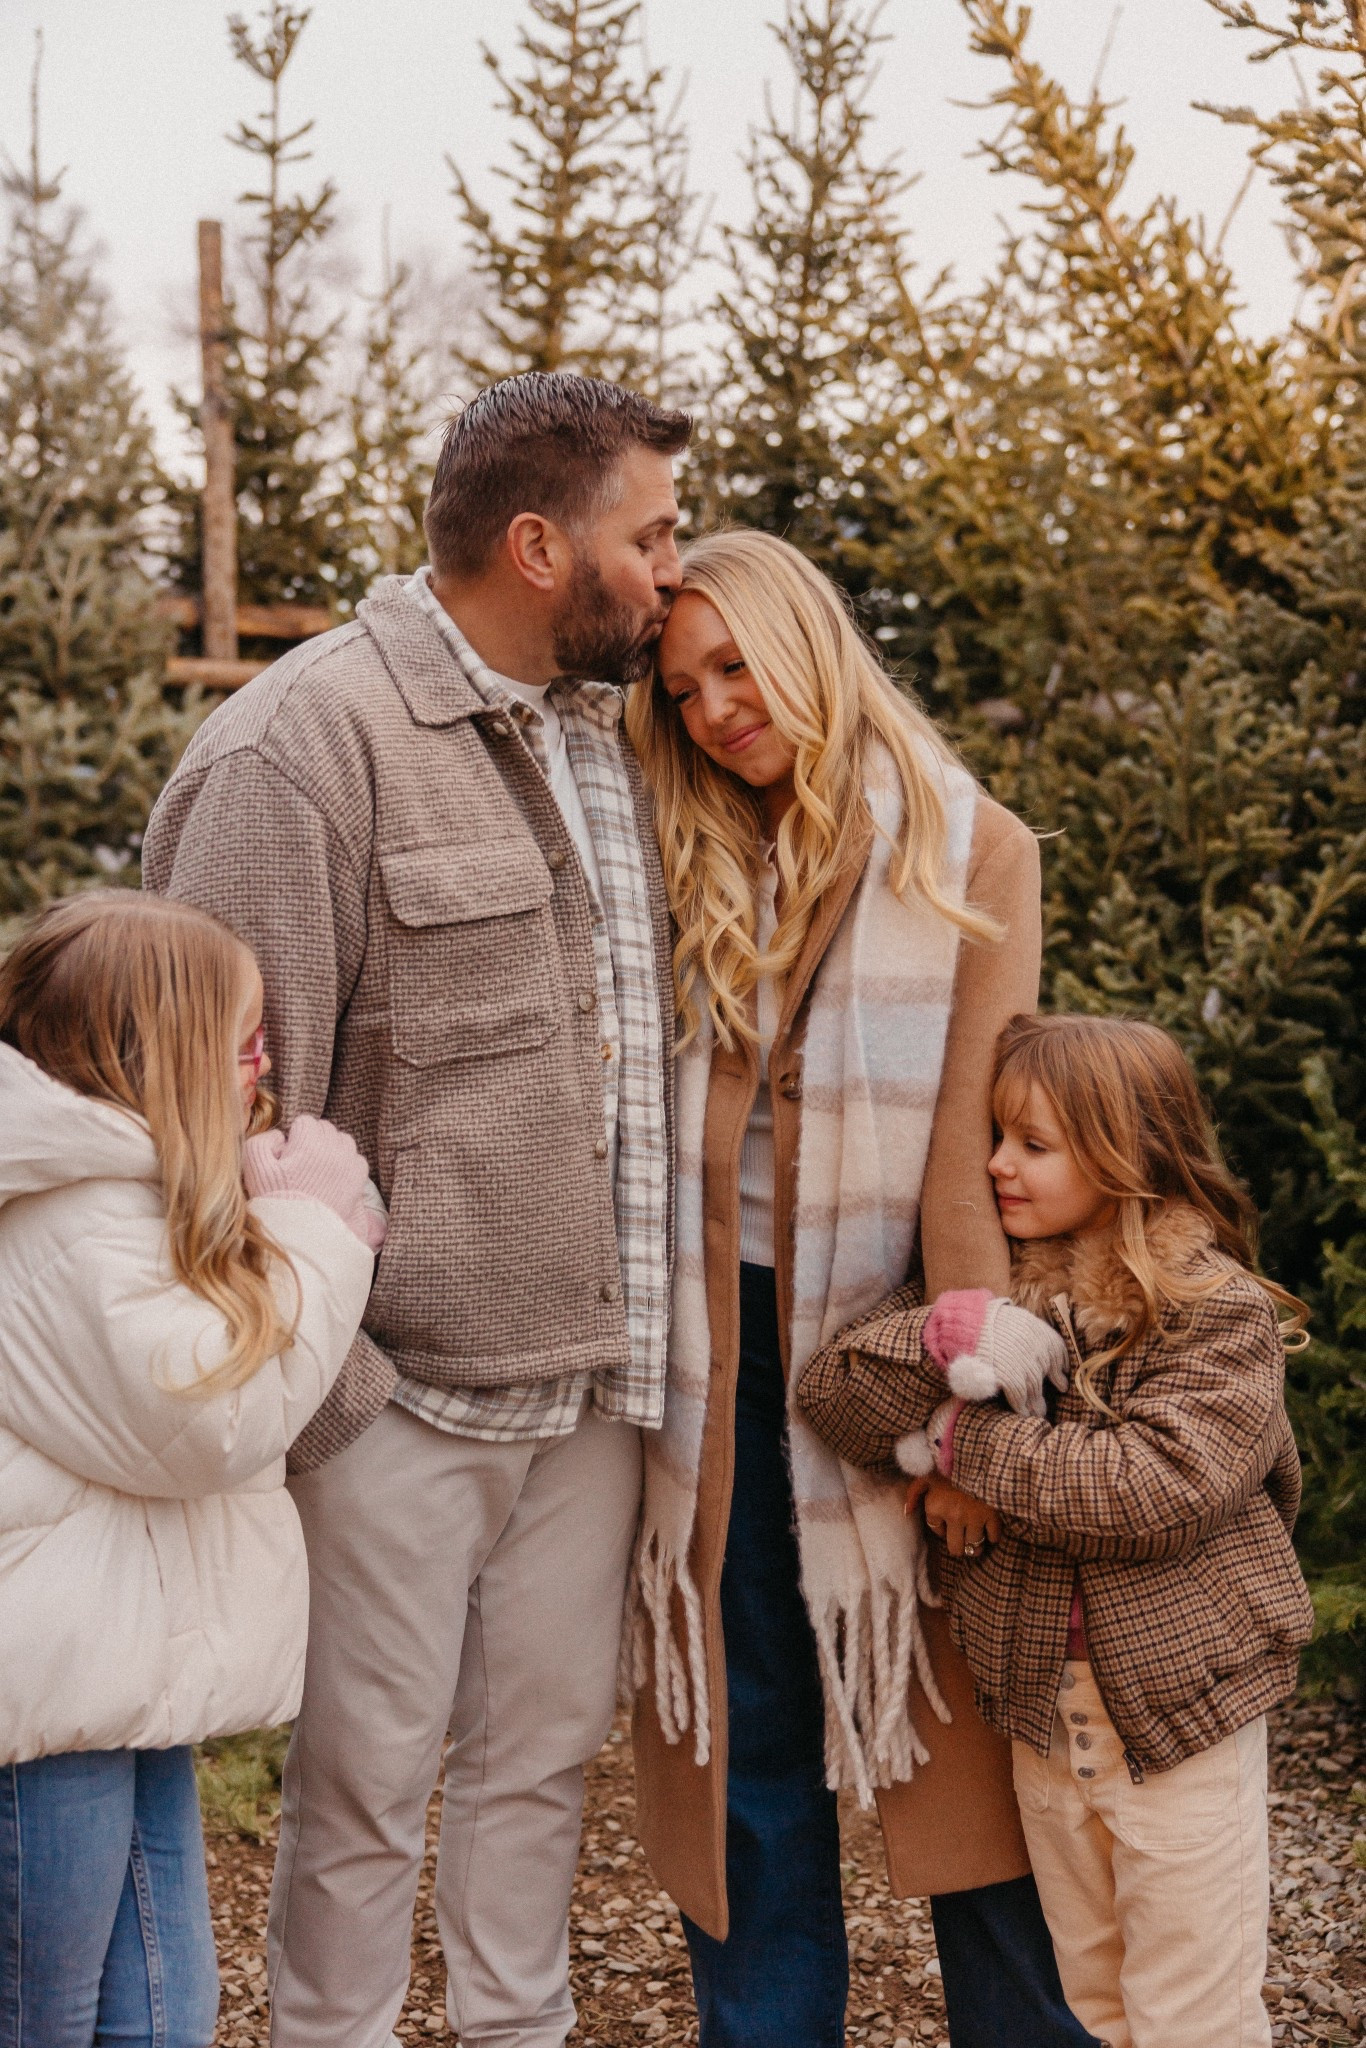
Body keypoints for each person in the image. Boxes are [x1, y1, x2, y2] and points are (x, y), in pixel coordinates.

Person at [142, 370, 689, 2048]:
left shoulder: (612, 734)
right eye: (649, 535)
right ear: (539, 546)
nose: (676, 570)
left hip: (594, 1389)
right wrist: (342, 1389)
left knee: (535, 1780)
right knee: (365, 1791)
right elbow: (215, 1109)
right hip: (397, 1402)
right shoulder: (299, 752)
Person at [623, 530, 1098, 2047]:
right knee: (749, 1725)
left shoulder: (973, 850)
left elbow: (965, 1146)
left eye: (734, 666)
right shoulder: (671, 832)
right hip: (715, 1349)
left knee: (963, 1735)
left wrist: (972, 1420)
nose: (709, 710)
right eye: (681, 686)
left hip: (895, 1353)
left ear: (807, 644)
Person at [798, 1011, 1315, 2048]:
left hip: (1182, 1725)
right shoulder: (993, 1292)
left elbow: (1151, 1487)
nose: (995, 1163)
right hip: (1047, 1721)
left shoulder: (1212, 1309)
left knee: (1192, 2013)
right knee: (1094, 2000)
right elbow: (835, 1392)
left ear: (1129, 1153)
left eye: (1033, 1143)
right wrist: (953, 1336)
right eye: (996, 1135)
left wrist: (955, 1442)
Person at [0, 891, 378, 2048]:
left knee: (164, 2012)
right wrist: (316, 1230)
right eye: (245, 1041)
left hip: (115, 1675)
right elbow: (204, 1418)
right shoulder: (68, 1217)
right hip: (43, 1702)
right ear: (151, 1050)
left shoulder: (118, 1191)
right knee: (45, 2014)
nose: (260, 1070)